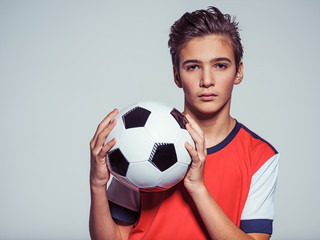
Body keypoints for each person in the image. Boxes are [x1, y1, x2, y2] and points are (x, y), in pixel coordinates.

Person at [89, 6, 280, 240]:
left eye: (220, 65)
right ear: (177, 75)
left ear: (238, 72)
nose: (207, 80)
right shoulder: (141, 140)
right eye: (193, 67)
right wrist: (98, 185)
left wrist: (198, 188)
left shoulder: (260, 156)